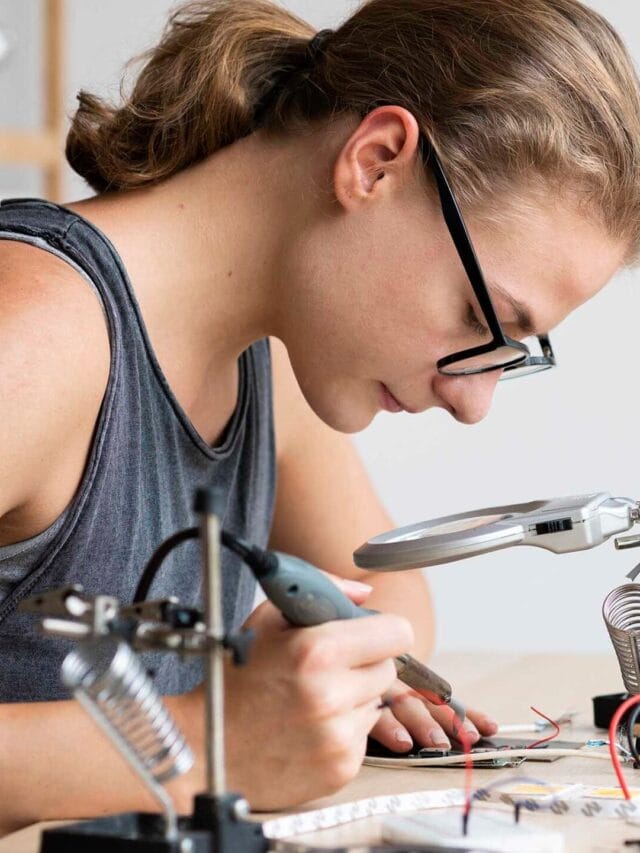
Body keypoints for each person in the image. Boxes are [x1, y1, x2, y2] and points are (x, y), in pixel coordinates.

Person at [0, 0, 638, 834]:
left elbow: (390, 590)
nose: (473, 402)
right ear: (374, 162)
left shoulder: (263, 361)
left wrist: (335, 668)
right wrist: (206, 742)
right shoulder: (34, 335)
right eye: (482, 319)